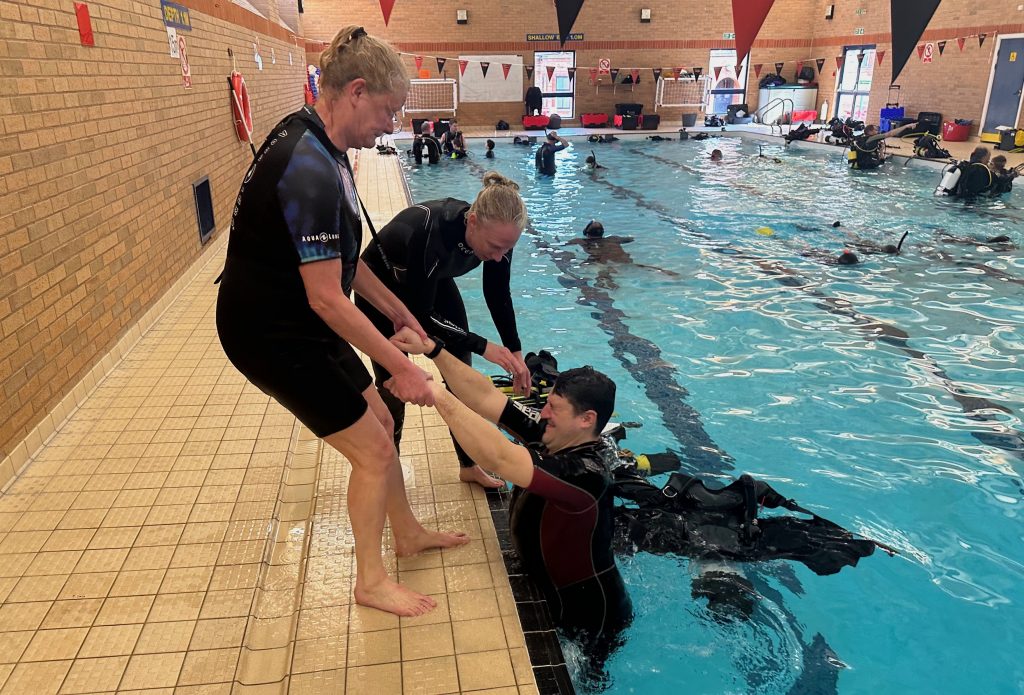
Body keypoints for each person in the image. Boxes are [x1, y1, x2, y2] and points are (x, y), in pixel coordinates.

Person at [216, 26, 467, 618]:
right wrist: (400, 365)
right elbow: (328, 299)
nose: (392, 125)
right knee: (374, 451)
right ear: (356, 91)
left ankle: (405, 534)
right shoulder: (308, 167)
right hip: (270, 335)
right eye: (388, 110)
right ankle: (370, 581)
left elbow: (342, 264)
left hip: (298, 315)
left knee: (380, 419)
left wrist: (399, 310)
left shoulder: (322, 146)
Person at [389, 328, 633, 652]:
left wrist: (434, 392)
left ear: (586, 419)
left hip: (590, 616)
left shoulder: (586, 475)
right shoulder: (555, 435)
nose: (543, 413)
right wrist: (433, 350)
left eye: (554, 407)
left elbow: (498, 457)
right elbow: (486, 397)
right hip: (551, 586)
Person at [355, 173, 531, 489]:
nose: (498, 256)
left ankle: (468, 465)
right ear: (473, 222)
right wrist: (484, 346)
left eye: (507, 249)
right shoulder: (430, 229)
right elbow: (421, 319)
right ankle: (389, 472)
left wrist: (514, 351)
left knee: (460, 379)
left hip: (430, 285)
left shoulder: (499, 235)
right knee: (394, 386)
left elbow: (498, 292)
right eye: (494, 247)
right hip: (381, 295)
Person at [848, 121, 917, 169]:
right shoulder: (872, 138)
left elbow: (879, 160)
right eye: (876, 130)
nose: (878, 132)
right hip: (866, 167)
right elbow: (890, 134)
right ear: (870, 132)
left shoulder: (861, 139)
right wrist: (906, 126)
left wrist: (881, 151)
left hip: (860, 165)